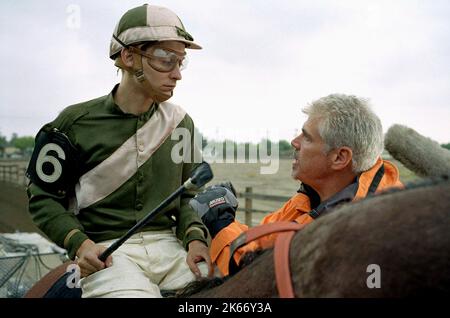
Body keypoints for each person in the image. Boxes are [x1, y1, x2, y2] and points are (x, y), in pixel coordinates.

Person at [26, 4, 212, 298]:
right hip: (106, 252)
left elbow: (189, 194)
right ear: (129, 57)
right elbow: (43, 197)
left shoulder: (182, 124)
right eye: (166, 60)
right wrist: (80, 244)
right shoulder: (71, 124)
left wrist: (195, 239)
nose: (177, 74)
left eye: (181, 62)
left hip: (171, 250)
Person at [190, 94, 403, 276]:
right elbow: (263, 243)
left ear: (339, 157)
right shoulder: (317, 195)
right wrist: (230, 225)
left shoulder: (352, 231)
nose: (294, 142)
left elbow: (257, 276)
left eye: (307, 138)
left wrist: (221, 223)